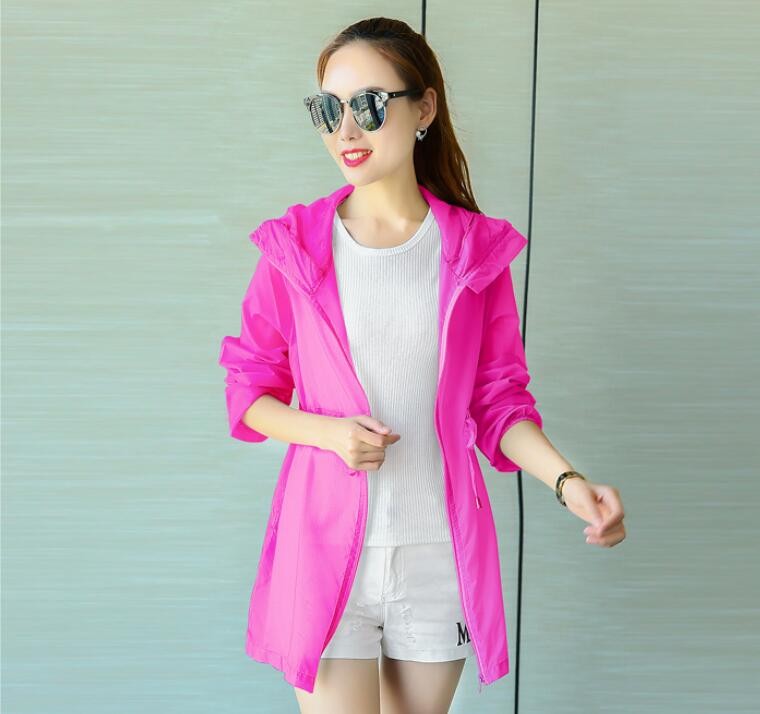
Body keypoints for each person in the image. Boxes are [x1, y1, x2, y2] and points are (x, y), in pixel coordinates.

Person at [220, 16, 626, 714]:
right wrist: (330, 434)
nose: (346, 129)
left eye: (368, 104)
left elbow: (498, 402)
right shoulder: (294, 249)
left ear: (424, 108)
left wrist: (569, 483)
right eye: (328, 109)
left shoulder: (473, 253)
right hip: (323, 555)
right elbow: (248, 391)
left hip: (438, 553)